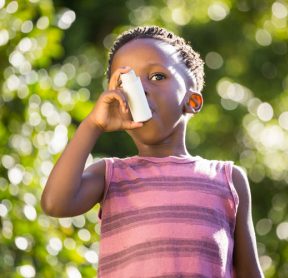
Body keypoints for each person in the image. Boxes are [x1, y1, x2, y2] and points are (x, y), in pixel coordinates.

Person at [41, 26, 264, 277]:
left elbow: (249, 272)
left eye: (157, 77)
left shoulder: (228, 179)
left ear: (192, 101)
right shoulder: (110, 175)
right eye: (127, 81)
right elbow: (55, 204)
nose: (141, 89)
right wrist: (93, 125)